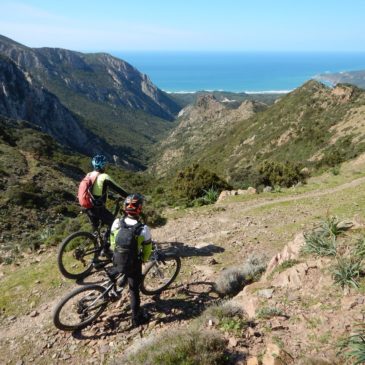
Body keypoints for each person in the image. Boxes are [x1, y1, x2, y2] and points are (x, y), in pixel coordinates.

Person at [108, 193, 152, 327]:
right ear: (140, 209)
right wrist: (144, 259)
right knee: (134, 290)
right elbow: (147, 250)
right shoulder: (143, 229)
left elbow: (112, 242)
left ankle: (112, 288)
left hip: (117, 258)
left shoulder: (117, 222)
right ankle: (136, 318)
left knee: (118, 269)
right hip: (133, 263)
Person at [86, 154, 129, 254]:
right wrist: (130, 196)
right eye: (105, 165)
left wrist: (111, 197)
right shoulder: (104, 176)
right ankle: (106, 250)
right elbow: (118, 189)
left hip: (88, 206)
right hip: (98, 208)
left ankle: (96, 259)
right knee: (114, 224)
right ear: (103, 166)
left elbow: (97, 192)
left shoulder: (89, 175)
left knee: (96, 232)